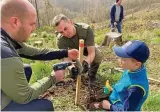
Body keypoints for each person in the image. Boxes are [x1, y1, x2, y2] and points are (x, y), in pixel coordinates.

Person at [1, 0, 79, 111]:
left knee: (26, 69)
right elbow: (25, 96)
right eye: (32, 24)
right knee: (45, 106)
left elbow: (36, 52)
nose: (34, 29)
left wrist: (66, 53)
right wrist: (53, 78)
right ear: (15, 22)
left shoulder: (7, 39)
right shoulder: (7, 56)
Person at [89, 40, 150, 111]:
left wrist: (109, 106)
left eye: (123, 59)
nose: (119, 60)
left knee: (98, 106)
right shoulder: (131, 69)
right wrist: (112, 89)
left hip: (119, 108)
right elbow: (124, 83)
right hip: (117, 99)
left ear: (137, 64)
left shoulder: (136, 89)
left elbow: (127, 110)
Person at [52, 14, 103, 81]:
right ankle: (75, 76)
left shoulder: (86, 30)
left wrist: (86, 63)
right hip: (72, 52)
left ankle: (91, 75)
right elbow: (66, 58)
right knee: (75, 70)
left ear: (70, 22)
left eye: (65, 28)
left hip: (85, 47)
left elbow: (91, 53)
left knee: (98, 55)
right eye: (61, 32)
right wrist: (71, 67)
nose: (65, 33)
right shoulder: (60, 40)